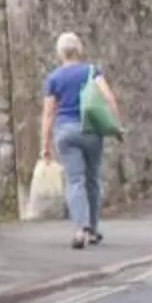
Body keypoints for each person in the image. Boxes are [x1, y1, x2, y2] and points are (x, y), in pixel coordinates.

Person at [42, 32, 114, 249]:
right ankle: (93, 230)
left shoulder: (53, 78)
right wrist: (116, 125)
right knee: (92, 179)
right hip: (90, 130)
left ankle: (80, 229)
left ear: (59, 53)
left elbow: (48, 114)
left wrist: (44, 145)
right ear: (79, 50)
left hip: (65, 132)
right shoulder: (92, 72)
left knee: (75, 180)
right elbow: (109, 98)